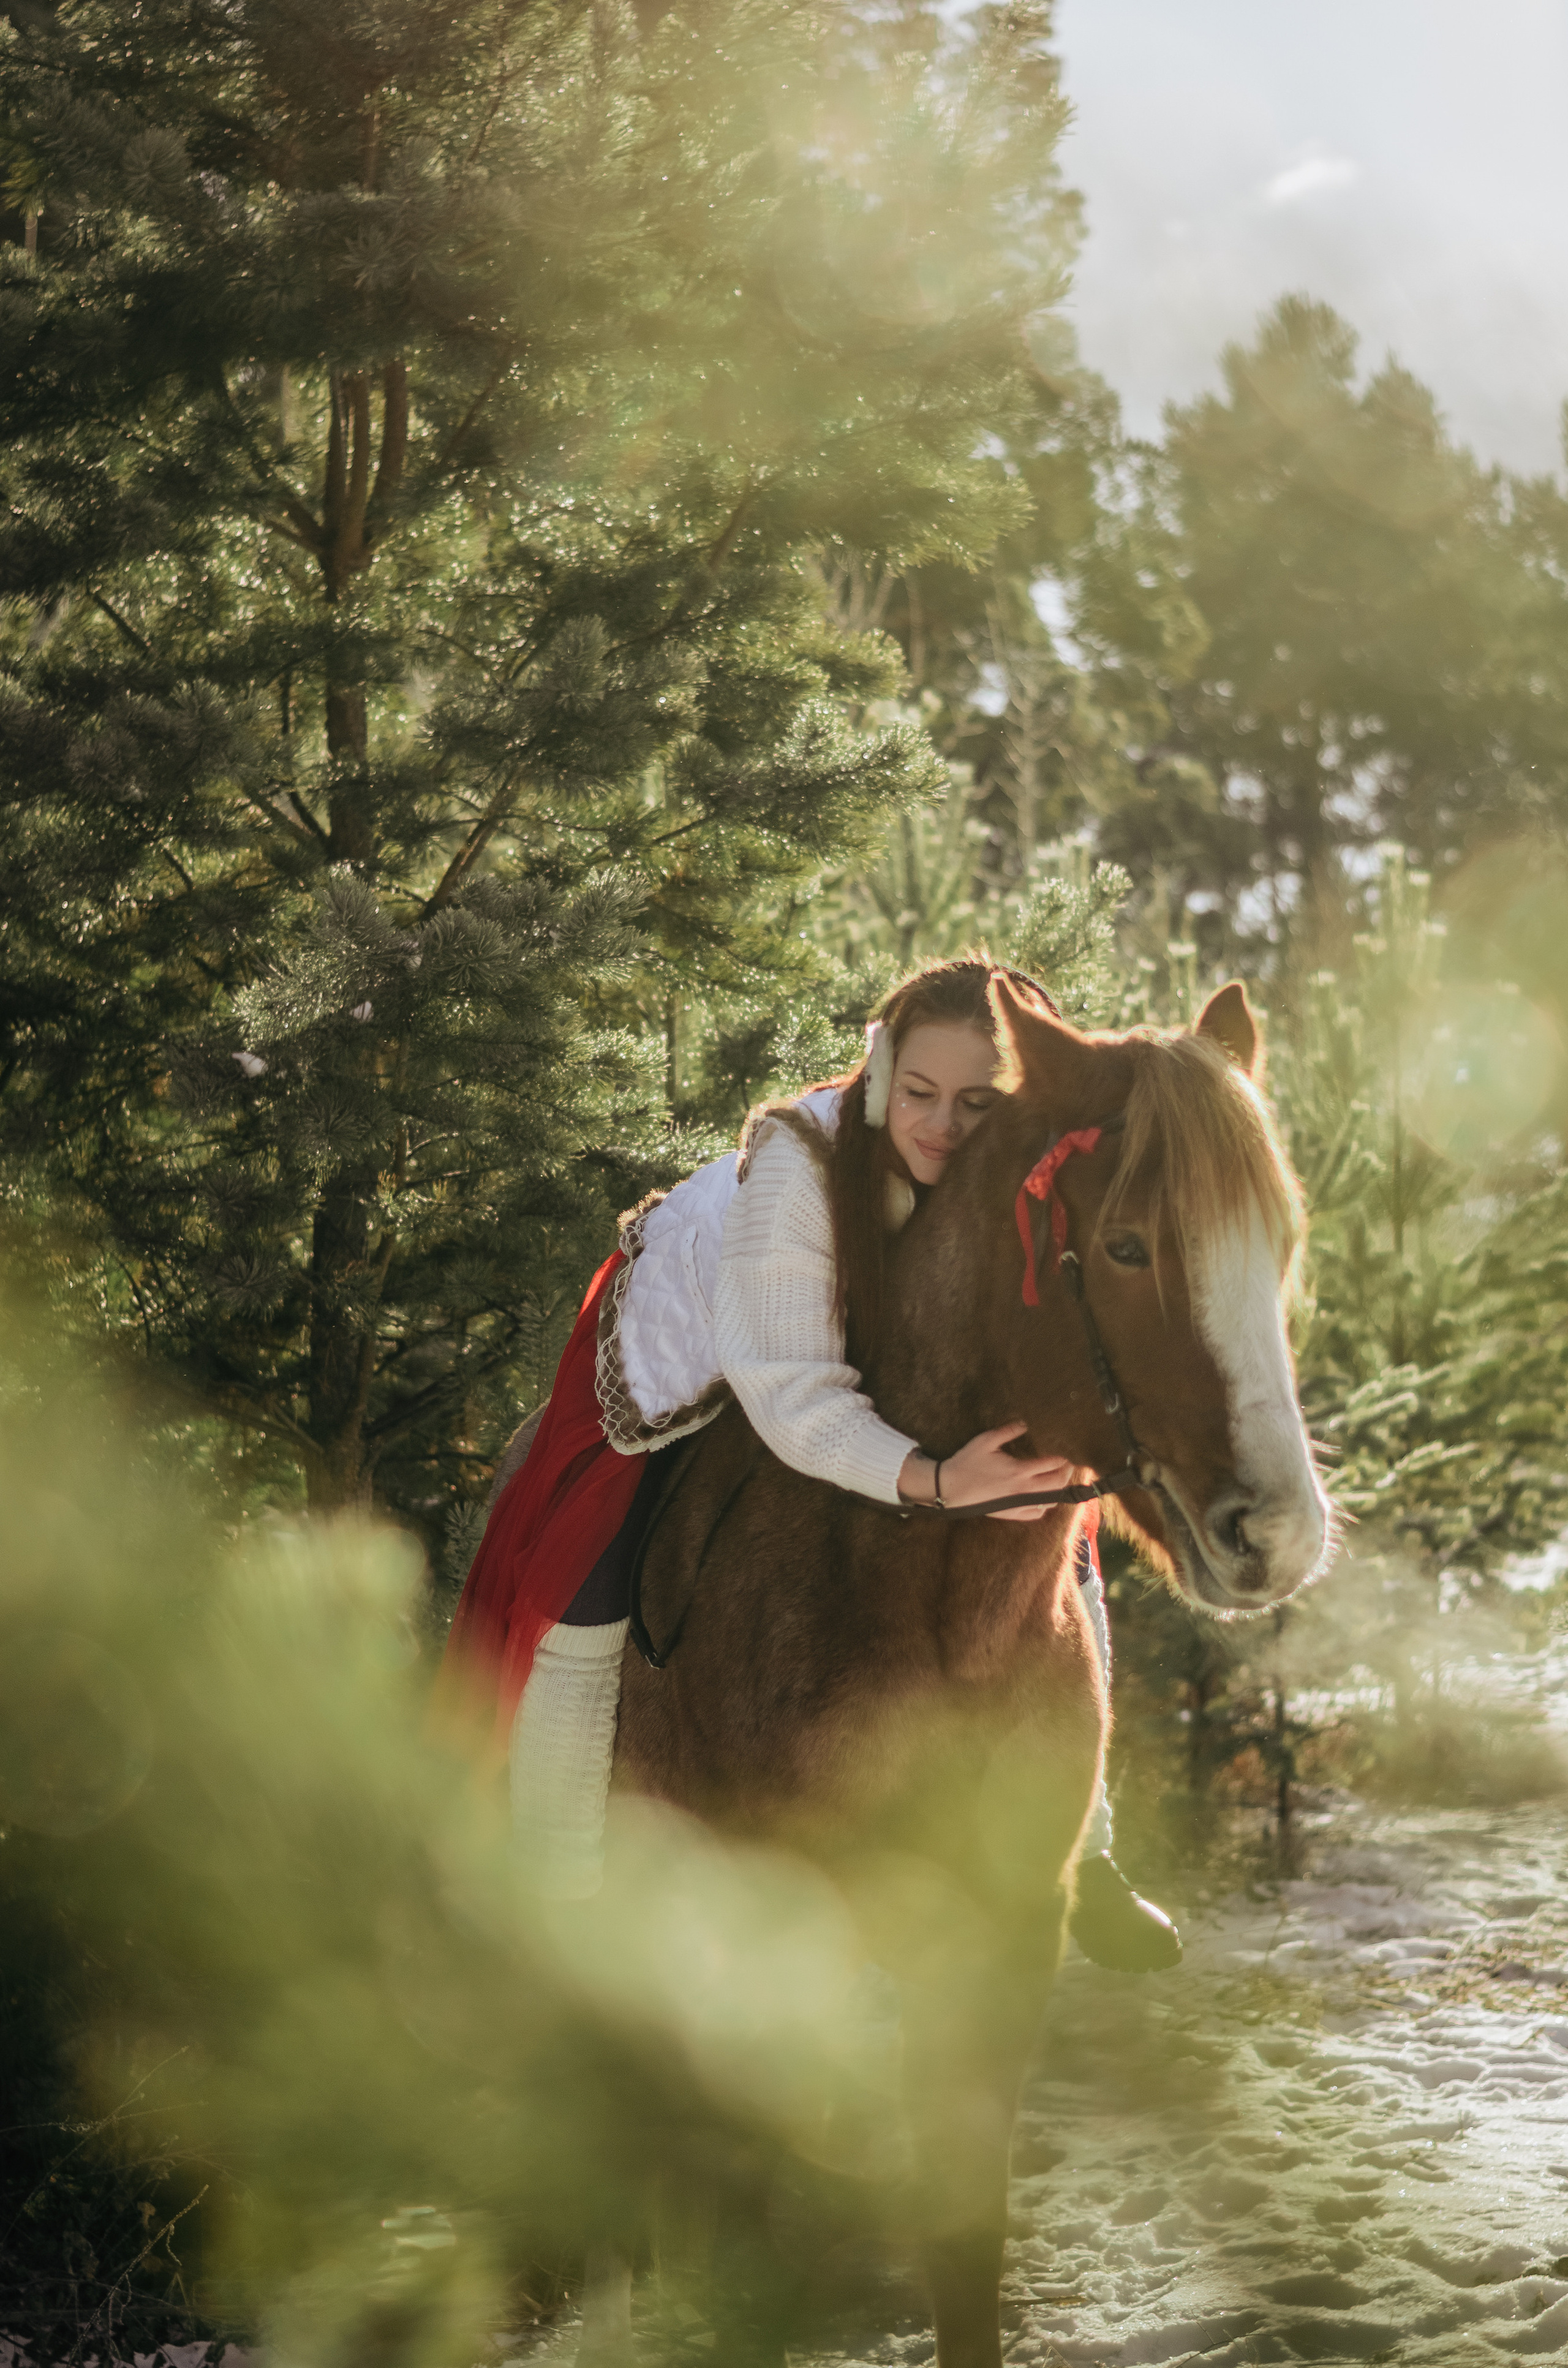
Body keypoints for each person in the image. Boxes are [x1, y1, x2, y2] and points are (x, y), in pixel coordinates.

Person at [440, 956, 1181, 1972]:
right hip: (700, 1347)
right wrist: (933, 1480)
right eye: (919, 1094)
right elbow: (789, 1389)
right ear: (880, 1076)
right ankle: (555, 1875)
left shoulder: (1023, 1168)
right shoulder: (800, 1162)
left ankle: (1085, 1853)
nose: (944, 1127)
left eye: (978, 1102)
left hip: (873, 1348)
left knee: (1061, 1535)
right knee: (595, 1562)